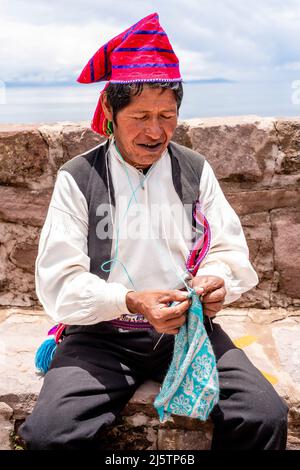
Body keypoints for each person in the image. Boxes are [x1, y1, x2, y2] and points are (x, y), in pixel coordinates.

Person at [19, 12, 288, 450]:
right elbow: (58, 283)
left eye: (167, 115)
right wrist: (130, 300)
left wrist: (216, 278)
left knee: (263, 416)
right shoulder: (78, 177)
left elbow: (228, 249)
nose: (155, 130)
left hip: (186, 329)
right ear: (110, 110)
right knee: (51, 434)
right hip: (102, 335)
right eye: (141, 115)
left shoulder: (195, 170)